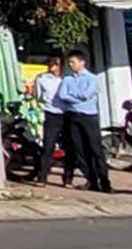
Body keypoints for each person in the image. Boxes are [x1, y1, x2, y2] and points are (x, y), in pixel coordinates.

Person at [43, 53, 112, 192]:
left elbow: (89, 94)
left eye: (73, 62)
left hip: (89, 116)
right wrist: (78, 97)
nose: (70, 65)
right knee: (79, 150)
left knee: (95, 149)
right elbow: (63, 95)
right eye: (69, 62)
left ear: (82, 62)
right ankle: (90, 179)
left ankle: (104, 181)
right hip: (73, 116)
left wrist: (74, 96)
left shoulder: (92, 78)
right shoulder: (67, 79)